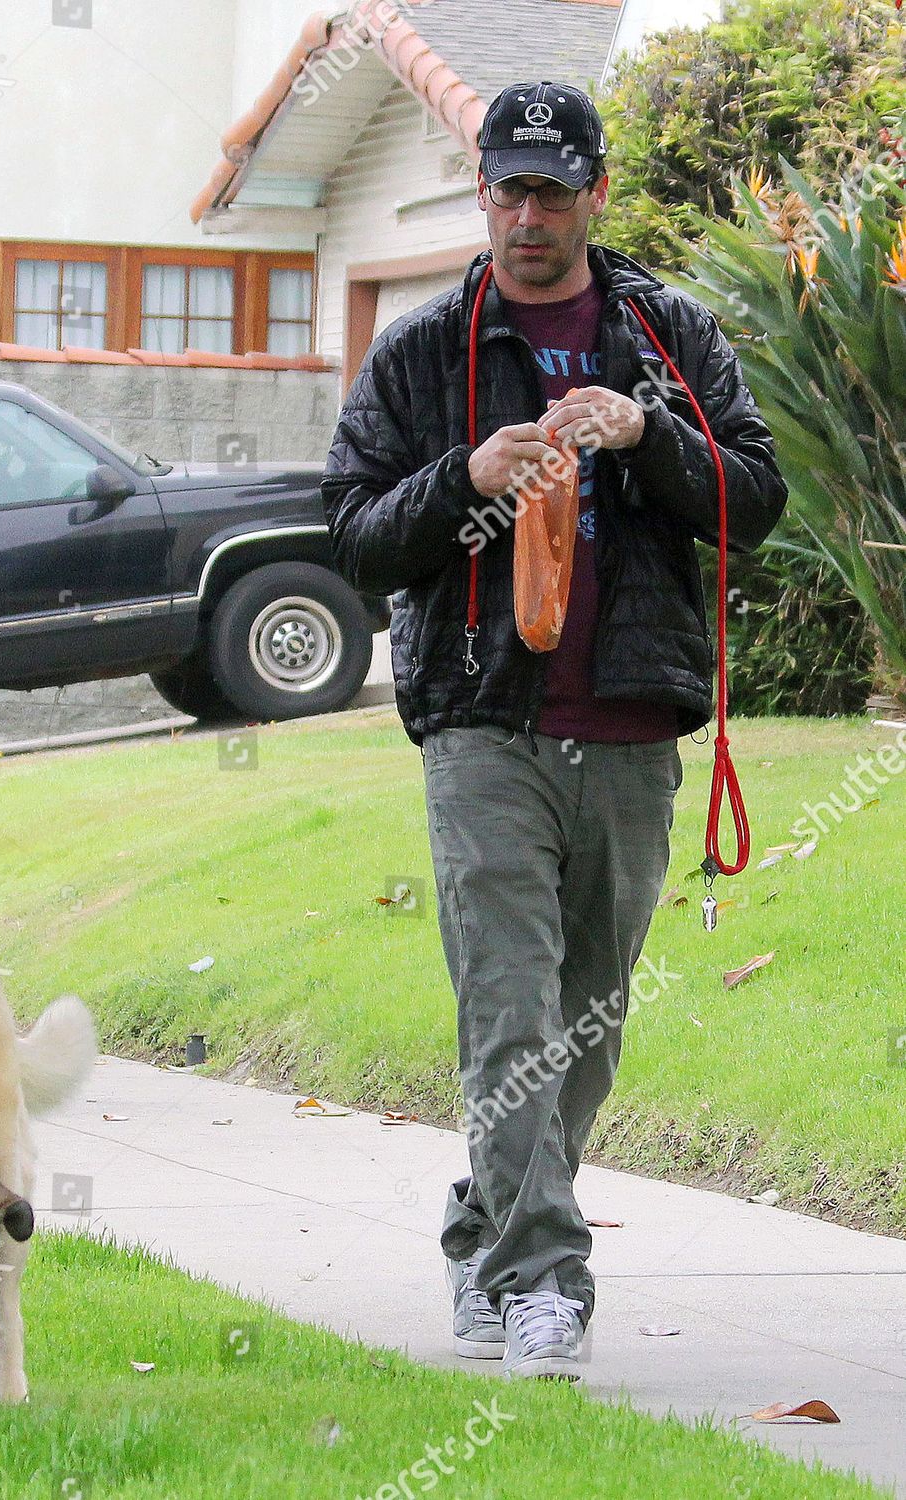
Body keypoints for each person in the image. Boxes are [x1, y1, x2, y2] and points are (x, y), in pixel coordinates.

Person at [321, 80, 787, 1380]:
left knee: (588, 1020)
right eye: (506, 190)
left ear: (593, 192)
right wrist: (458, 478)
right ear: (482, 194)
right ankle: (545, 1282)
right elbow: (354, 536)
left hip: (630, 723)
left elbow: (757, 502)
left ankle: (486, 1222)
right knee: (510, 1011)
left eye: (552, 190)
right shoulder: (425, 354)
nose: (528, 215)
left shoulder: (667, 332)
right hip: (484, 725)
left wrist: (647, 436)